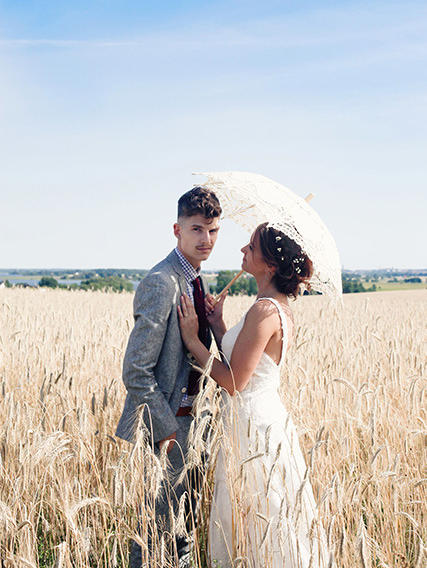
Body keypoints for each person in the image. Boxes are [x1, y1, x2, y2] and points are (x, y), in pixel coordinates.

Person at [178, 222, 330, 568]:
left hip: (253, 428)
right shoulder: (272, 307)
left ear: (270, 265)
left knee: (257, 513)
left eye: (251, 247)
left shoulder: (264, 311)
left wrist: (192, 341)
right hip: (262, 418)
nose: (242, 251)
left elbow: (234, 382)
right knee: (264, 514)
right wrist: (218, 325)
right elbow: (243, 359)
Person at [115, 186, 222, 568]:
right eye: (196, 229)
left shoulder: (197, 279)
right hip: (166, 430)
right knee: (152, 536)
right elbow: (136, 370)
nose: (206, 239)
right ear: (176, 230)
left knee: (183, 533)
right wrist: (167, 429)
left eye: (212, 231)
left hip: (195, 424)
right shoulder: (162, 281)